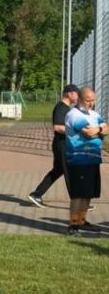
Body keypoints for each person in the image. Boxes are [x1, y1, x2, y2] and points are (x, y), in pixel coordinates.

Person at [63, 86, 107, 236]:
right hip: (78, 159)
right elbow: (88, 133)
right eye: (88, 100)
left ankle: (82, 220)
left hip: (93, 159)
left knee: (88, 193)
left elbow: (106, 128)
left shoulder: (95, 114)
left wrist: (98, 131)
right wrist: (100, 131)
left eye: (93, 100)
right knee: (78, 194)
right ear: (80, 99)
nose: (91, 103)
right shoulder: (73, 114)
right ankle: (73, 225)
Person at [28, 84, 80, 208]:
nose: (78, 97)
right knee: (70, 172)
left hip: (62, 144)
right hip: (62, 145)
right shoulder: (61, 107)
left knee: (57, 171)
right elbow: (57, 127)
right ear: (69, 94)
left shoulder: (66, 108)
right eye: (76, 94)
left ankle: (36, 194)